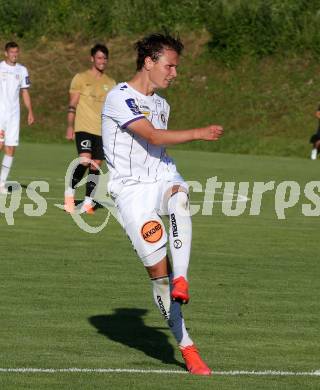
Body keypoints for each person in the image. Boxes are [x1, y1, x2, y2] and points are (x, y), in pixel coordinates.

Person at [102, 33, 223, 375]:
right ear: (149, 62)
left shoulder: (162, 105)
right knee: (158, 276)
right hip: (130, 193)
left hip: (162, 177)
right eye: (169, 66)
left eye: (176, 67)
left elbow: (157, 149)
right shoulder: (118, 97)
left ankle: (182, 279)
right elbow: (152, 136)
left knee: (179, 198)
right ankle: (187, 346)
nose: (174, 74)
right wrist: (199, 133)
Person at [64, 44, 116, 213]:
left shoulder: (111, 83)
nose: (103, 61)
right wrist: (70, 126)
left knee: (96, 165)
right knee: (85, 160)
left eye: (105, 58)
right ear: (92, 58)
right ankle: (69, 196)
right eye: (99, 58)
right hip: (83, 128)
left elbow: (112, 109)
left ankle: (88, 202)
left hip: (102, 131)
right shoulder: (80, 78)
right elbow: (72, 104)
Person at [0, 41, 34, 194]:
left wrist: (30, 111)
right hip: (0, 114)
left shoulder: (22, 70)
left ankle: (1, 183)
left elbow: (25, 92)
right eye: (12, 52)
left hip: (14, 115)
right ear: (6, 53)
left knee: (11, 148)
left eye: (16, 52)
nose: (14, 55)